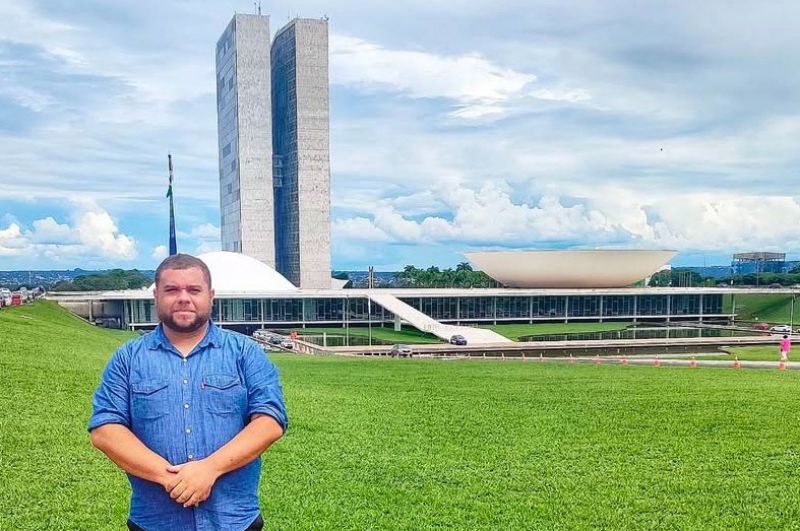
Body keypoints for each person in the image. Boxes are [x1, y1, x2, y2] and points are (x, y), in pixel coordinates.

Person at [88, 254, 287, 531]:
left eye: (194, 289)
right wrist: (170, 478)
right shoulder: (128, 359)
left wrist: (210, 469)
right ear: (156, 296)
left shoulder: (245, 353)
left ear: (211, 296)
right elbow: (105, 429)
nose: (183, 298)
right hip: (154, 522)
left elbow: (270, 420)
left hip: (234, 521)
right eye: (172, 290)